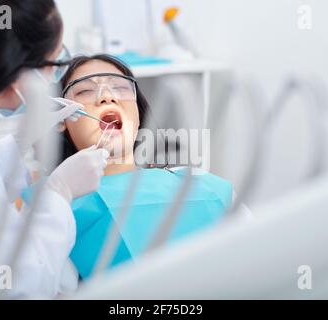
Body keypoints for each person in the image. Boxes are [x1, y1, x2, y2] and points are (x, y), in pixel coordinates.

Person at [0, 0, 109, 298]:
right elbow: (12, 284)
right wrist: (60, 191)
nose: (105, 100)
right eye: (53, 63)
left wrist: (20, 143)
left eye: (119, 90)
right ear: (17, 69)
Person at [52, 55, 233, 279]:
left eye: (120, 87)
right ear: (62, 120)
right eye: (85, 91)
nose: (107, 97)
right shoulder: (52, 210)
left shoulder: (202, 184)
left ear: (138, 115)